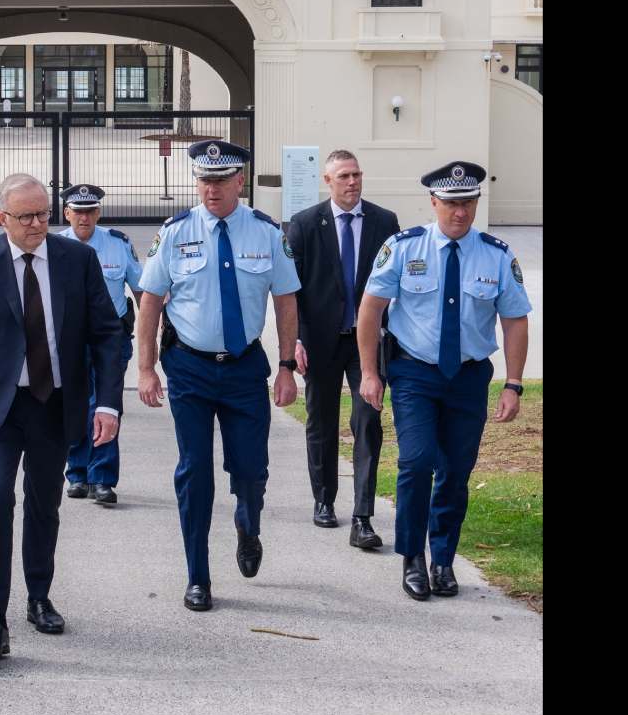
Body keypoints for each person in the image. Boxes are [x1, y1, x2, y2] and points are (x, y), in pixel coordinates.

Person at [0, 174, 125, 659]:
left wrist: (107, 403)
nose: (39, 223)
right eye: (27, 216)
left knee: (45, 504)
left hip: (55, 403)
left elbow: (107, 334)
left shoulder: (76, 261)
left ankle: (39, 597)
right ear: (3, 219)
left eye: (44, 213)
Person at [135, 141, 300, 612]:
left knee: (250, 471)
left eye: (221, 179)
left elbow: (286, 299)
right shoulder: (174, 232)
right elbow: (150, 302)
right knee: (194, 473)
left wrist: (287, 366)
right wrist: (145, 368)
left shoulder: (267, 233)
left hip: (245, 368)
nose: (211, 188)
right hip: (189, 367)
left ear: (239, 181)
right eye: (204, 179)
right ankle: (198, 576)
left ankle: (249, 525)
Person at [356, 161, 531, 601]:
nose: (460, 212)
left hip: (468, 378)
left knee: (455, 472)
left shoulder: (496, 254)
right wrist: (370, 373)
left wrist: (513, 383)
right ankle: (412, 557)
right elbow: (371, 308)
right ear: (433, 202)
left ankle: (443, 560)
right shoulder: (403, 248)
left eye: (468, 203)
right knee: (415, 461)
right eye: (451, 203)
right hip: (414, 372)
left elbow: (514, 320)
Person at [285, 150, 400, 549]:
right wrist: (295, 340)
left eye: (357, 175)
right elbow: (291, 290)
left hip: (366, 342)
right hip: (320, 340)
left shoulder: (385, 222)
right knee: (322, 420)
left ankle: (363, 515)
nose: (353, 182)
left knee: (368, 421)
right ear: (327, 180)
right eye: (344, 176)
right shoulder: (303, 225)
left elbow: (394, 285)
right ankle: (323, 499)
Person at [54, 183, 144, 506]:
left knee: (108, 404)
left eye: (90, 211)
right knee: (76, 404)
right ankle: (77, 473)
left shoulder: (117, 244)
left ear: (98, 213)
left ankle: (103, 477)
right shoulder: (53, 246)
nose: (84, 218)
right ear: (67, 213)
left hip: (111, 338)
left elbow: (141, 289)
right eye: (78, 211)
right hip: (70, 340)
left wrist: (152, 335)